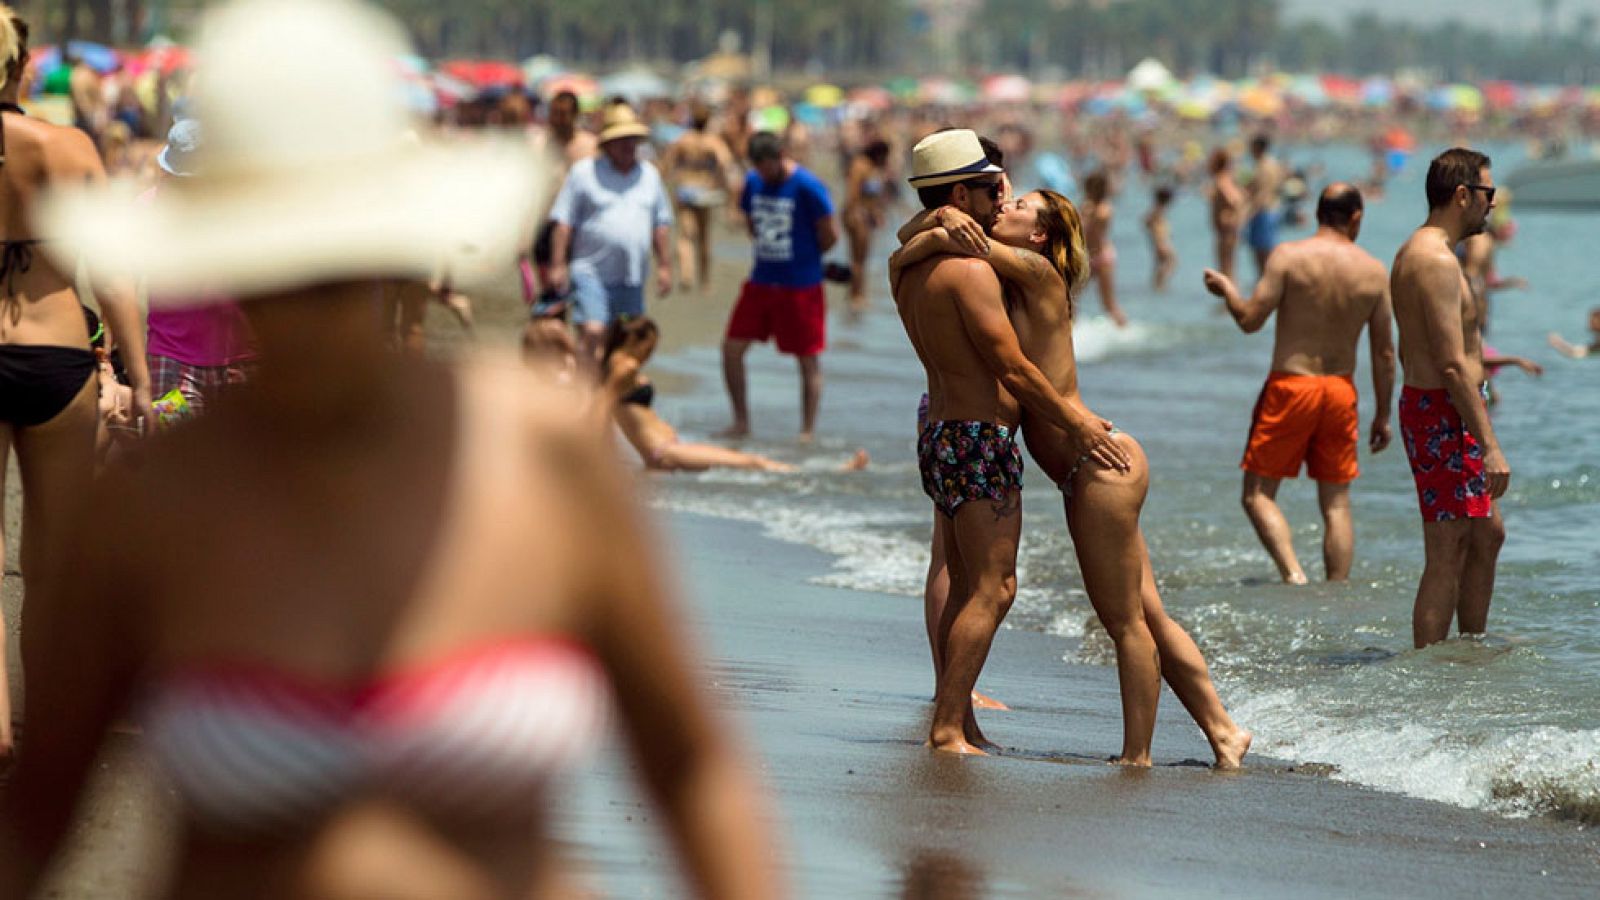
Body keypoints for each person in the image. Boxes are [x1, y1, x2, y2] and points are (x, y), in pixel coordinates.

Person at [0, 4, 782, 899]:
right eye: (269, 272)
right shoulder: (157, 503)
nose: (300, 317)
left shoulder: (540, 454)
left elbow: (690, 764)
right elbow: (34, 823)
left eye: (331, 272)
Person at [895, 187, 1250, 769]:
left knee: (1124, 621)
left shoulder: (1037, 272)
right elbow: (925, 242)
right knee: (1148, 611)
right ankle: (1223, 729)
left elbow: (939, 241)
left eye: (1019, 207)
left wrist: (941, 221)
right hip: (1086, 464)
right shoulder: (1009, 278)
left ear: (1040, 235)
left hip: (1097, 461)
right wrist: (939, 222)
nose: (1004, 208)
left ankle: (1137, 755)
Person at [889, 129, 1128, 756]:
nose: (1003, 197)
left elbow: (899, 250)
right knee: (995, 588)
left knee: (964, 579)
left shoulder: (909, 270)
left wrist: (935, 224)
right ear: (962, 191)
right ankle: (947, 726)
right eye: (991, 188)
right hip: (977, 439)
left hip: (937, 436)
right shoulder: (971, 273)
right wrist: (1075, 424)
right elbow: (1014, 369)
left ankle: (959, 721)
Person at [0, 6, 152, 764]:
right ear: (23, 69)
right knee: (51, 562)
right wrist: (140, 374)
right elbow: (113, 272)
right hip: (58, 358)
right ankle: (49, 729)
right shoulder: (68, 147)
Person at [1202, 184, 1394, 584]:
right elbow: (1384, 354)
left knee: (1257, 495)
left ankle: (1294, 575)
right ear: (1356, 218)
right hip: (1341, 391)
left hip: (1292, 385)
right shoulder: (1374, 271)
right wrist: (1383, 415)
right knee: (1337, 505)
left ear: (1319, 212)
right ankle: (1336, 592)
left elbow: (1250, 321)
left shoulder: (1288, 256)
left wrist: (1226, 291)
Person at [1390, 148, 1508, 648]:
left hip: (1442, 410)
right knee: (1447, 549)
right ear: (1463, 195)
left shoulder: (1427, 253)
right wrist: (1491, 446)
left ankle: (1469, 652)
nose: (1492, 206)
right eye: (1488, 194)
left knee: (1486, 534)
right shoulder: (1434, 260)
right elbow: (1452, 364)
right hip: (1443, 411)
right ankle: (1431, 674)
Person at [720, 131, 837, 442]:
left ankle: (807, 430)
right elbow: (749, 222)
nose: (763, 172)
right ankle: (741, 421)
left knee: (807, 358)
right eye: (757, 167)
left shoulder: (807, 186)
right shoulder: (753, 182)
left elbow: (830, 233)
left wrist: (807, 258)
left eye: (767, 166)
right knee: (731, 349)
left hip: (801, 286)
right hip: (761, 280)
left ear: (780, 156)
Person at [141, 117, 256, 420]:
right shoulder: (149, 209)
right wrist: (109, 362)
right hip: (173, 357)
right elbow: (118, 286)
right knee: (174, 456)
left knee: (242, 461)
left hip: (242, 358)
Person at [546, 102, 674, 362]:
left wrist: (664, 266)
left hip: (631, 275)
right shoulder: (584, 173)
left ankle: (607, 395)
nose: (628, 146)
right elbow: (563, 221)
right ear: (607, 144)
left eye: (632, 140)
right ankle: (585, 397)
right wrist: (558, 264)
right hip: (590, 270)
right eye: (621, 140)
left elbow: (660, 224)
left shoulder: (649, 175)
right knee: (594, 331)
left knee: (624, 342)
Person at [606, 316, 816, 473]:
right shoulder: (626, 367)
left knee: (747, 461)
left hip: (668, 449)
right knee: (753, 463)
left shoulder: (619, 365)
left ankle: (804, 472)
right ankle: (809, 475)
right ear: (634, 340)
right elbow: (601, 403)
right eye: (650, 346)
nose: (650, 353)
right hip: (664, 453)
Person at [661, 101, 739, 293]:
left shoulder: (683, 139)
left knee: (686, 235)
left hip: (685, 188)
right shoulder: (713, 142)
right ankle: (704, 281)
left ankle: (687, 274)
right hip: (705, 190)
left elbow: (667, 164)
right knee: (704, 237)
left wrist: (671, 179)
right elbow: (726, 163)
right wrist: (719, 183)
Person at [842, 139, 893, 315]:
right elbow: (853, 194)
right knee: (858, 259)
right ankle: (855, 296)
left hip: (865, 216)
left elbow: (872, 197)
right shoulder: (860, 165)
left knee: (863, 259)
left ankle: (857, 294)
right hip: (856, 216)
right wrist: (855, 215)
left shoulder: (872, 168)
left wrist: (876, 213)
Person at [1081, 171, 1128, 327]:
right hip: (1087, 257)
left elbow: (1097, 221)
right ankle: (1070, 327)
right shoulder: (1086, 205)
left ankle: (1123, 329)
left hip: (1102, 258)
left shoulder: (1104, 209)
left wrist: (1088, 212)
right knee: (1069, 295)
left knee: (1108, 303)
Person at [1244, 133, 1286, 279]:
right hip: (1273, 210)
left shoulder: (1262, 166)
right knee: (1267, 252)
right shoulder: (1274, 164)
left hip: (1262, 211)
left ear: (1257, 147)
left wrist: (1247, 215)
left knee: (1261, 254)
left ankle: (1264, 286)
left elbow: (1261, 194)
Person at [1207, 147, 1245, 282]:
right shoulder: (1226, 179)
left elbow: (1236, 200)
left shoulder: (1221, 180)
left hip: (1226, 231)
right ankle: (1229, 300)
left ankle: (1228, 301)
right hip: (1227, 231)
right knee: (1228, 268)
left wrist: (1229, 217)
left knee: (1226, 269)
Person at [1144, 183, 1177, 293]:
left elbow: (1147, 222)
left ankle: (1157, 286)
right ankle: (1160, 285)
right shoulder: (1158, 210)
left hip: (1158, 242)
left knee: (1160, 265)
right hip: (1161, 242)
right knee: (1172, 262)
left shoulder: (1157, 209)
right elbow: (1147, 220)